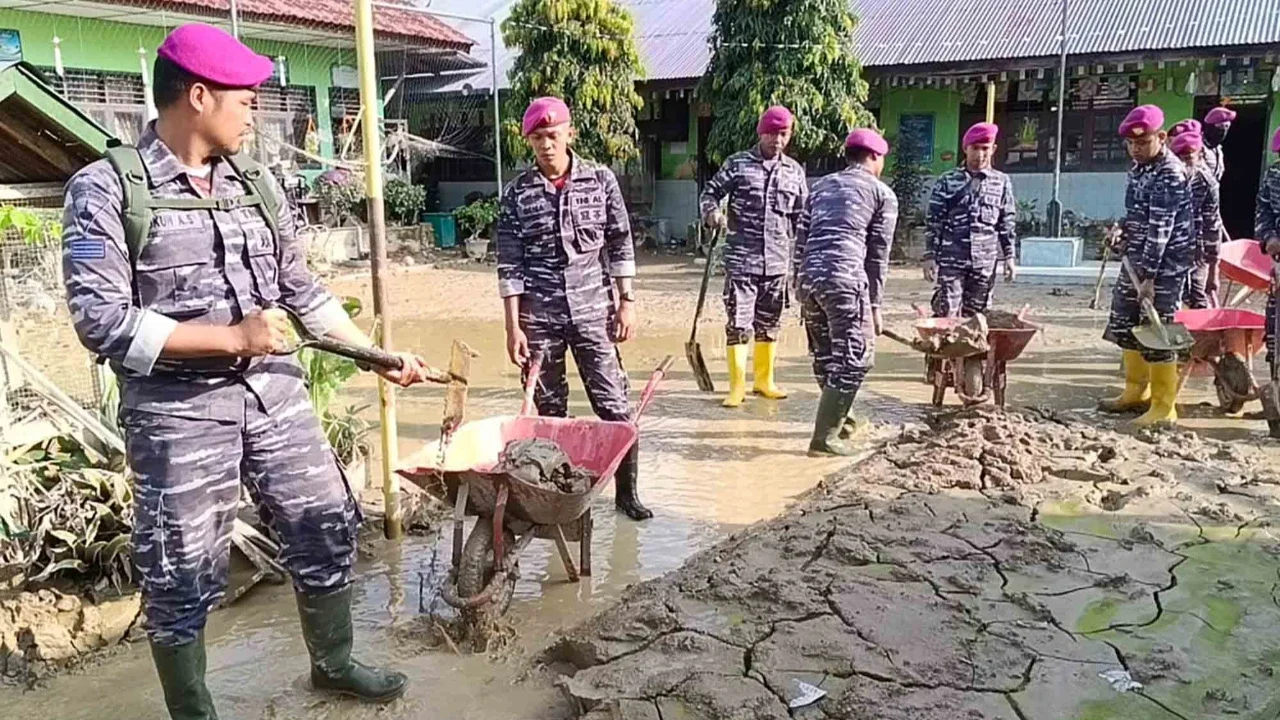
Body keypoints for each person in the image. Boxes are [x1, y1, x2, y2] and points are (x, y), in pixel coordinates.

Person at [61, 24, 429, 719]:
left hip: (274, 397)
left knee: (323, 522)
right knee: (182, 567)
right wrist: (229, 336)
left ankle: (335, 662)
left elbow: (302, 290)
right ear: (198, 96)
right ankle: (194, 710)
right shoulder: (106, 190)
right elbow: (100, 321)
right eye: (246, 97)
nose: (255, 109)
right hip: (177, 413)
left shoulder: (253, 183)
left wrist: (376, 355)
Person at [496, 97, 650, 521]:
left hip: (593, 312)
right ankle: (559, 500)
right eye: (537, 138)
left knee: (615, 407)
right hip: (539, 318)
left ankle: (626, 495)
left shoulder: (600, 181)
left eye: (553, 135)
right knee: (549, 415)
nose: (546, 144)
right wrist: (513, 329)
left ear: (570, 133)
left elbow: (620, 242)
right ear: (529, 141)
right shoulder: (517, 194)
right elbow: (509, 264)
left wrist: (627, 304)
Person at [794, 129, 897, 456]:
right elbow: (877, 255)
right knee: (856, 358)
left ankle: (844, 422)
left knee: (826, 358)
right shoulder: (882, 194)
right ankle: (824, 441)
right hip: (845, 280)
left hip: (809, 281)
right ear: (876, 158)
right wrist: (875, 306)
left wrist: (799, 284)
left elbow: (801, 239)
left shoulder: (819, 187)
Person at [699, 106, 808, 407]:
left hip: (777, 262)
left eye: (783, 134)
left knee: (769, 323)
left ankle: (764, 380)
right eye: (772, 133)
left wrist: (801, 258)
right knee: (739, 323)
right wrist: (712, 213)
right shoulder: (738, 164)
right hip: (742, 260)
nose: (777, 140)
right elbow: (710, 193)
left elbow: (802, 217)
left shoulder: (794, 172)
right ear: (761, 133)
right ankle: (737, 387)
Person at [1100, 105, 1194, 427]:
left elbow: (1160, 231)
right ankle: (1134, 392)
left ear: (1162, 137)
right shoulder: (1139, 169)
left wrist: (1149, 278)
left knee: (1157, 328)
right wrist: (1120, 230)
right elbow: (1136, 215)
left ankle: (1163, 406)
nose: (1136, 148)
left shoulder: (1169, 172)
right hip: (1137, 259)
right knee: (1125, 320)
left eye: (1143, 142)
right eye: (1131, 143)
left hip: (1164, 265)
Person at [923, 122, 1017, 318]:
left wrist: (1009, 257)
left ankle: (976, 350)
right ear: (965, 148)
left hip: (984, 263)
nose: (980, 154)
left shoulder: (1002, 182)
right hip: (952, 261)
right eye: (975, 148)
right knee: (947, 314)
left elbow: (1006, 222)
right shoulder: (947, 181)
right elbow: (934, 222)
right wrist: (930, 256)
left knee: (978, 319)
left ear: (993, 149)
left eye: (985, 149)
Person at [1169, 130, 1222, 309]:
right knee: (1169, 300)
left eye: (1188, 158)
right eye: (1179, 158)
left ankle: (1203, 336)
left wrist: (1214, 270)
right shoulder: (1166, 178)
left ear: (1199, 155)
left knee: (1198, 298)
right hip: (1168, 251)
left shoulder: (1207, 183)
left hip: (1197, 253)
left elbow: (1212, 226)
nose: (1184, 164)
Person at [1256, 128, 1280, 368]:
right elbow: (1263, 212)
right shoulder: (1274, 175)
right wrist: (1269, 236)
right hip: (1279, 261)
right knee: (1274, 328)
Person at [1202, 107, 1236, 182]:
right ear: (1209, 127)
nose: (1223, 131)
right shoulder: (1197, 147)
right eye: (1220, 126)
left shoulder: (1218, 149)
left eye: (1227, 126)